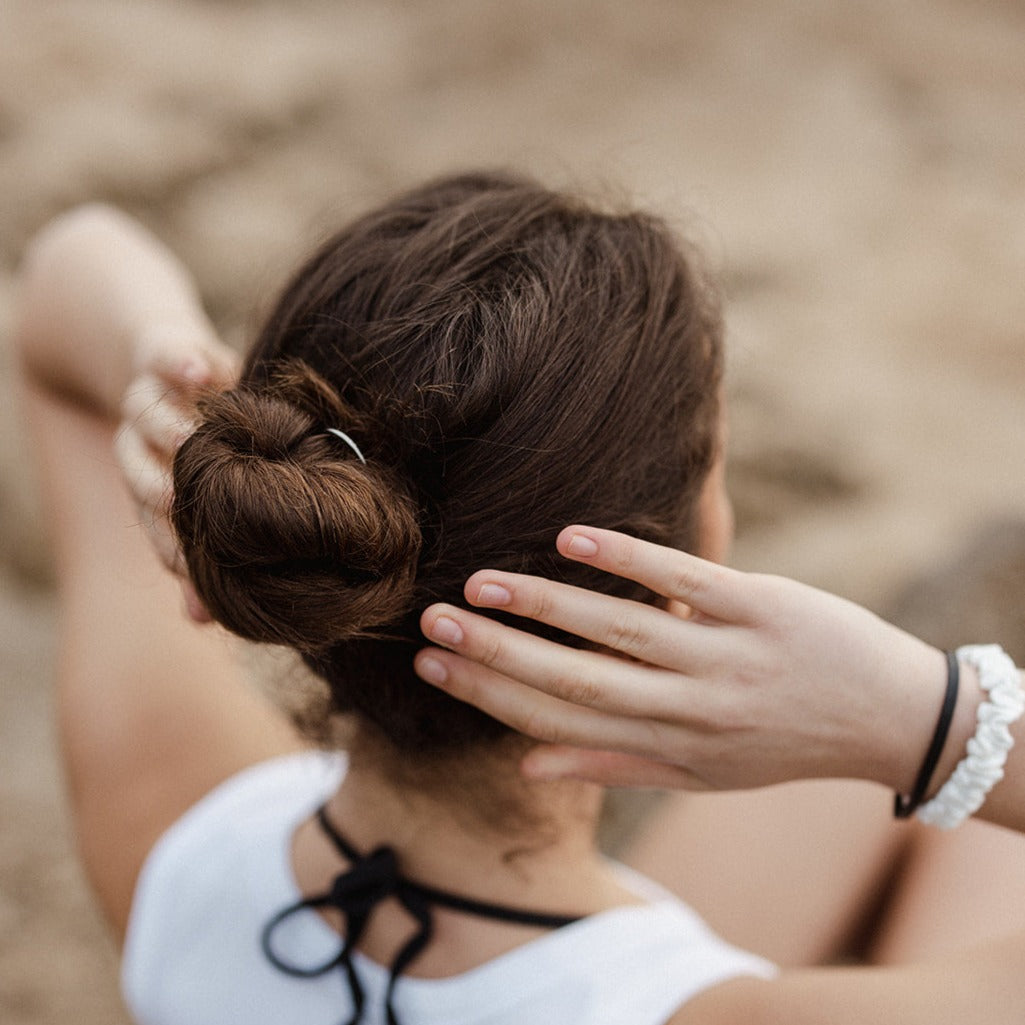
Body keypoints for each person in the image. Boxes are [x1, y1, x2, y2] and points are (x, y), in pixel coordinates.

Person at [11, 173, 1025, 1025]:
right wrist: (927, 719)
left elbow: (66, 270)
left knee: (849, 798)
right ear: (676, 570)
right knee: (972, 823)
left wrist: (158, 349)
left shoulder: (173, 827)